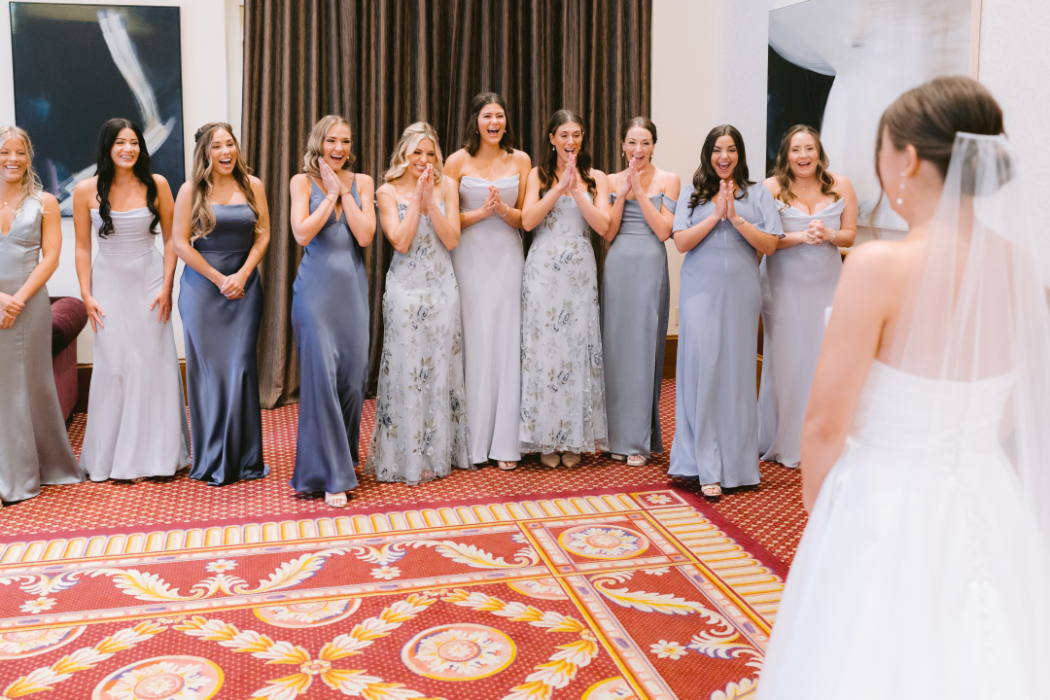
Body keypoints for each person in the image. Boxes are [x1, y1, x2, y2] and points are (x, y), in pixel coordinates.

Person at [757, 76, 1050, 699]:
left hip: (886, 498)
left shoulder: (879, 264)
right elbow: (1008, 407)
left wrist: (827, 517)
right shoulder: (1019, 263)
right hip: (985, 490)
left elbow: (825, 423)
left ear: (908, 159)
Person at [73, 118, 191, 481]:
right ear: (108, 147)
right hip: (108, 283)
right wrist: (87, 294)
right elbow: (81, 246)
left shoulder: (157, 184)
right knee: (115, 366)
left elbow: (173, 239)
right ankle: (113, 459)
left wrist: (167, 286)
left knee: (154, 366)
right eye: (121, 143)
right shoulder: (84, 190)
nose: (128, 149)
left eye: (135, 143)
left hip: (151, 282)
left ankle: (158, 457)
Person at [670, 125, 781, 497]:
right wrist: (715, 213)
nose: (724, 156)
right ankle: (704, 465)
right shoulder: (691, 192)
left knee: (735, 373)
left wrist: (735, 218)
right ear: (708, 153)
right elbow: (681, 241)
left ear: (740, 154)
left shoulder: (758, 193)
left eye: (731, 149)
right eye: (718, 149)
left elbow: (769, 245)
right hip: (700, 293)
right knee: (704, 369)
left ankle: (738, 465)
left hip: (741, 294)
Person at [367, 122, 471, 484]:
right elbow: (400, 241)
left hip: (442, 286)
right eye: (417, 153)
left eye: (430, 154)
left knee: (440, 366)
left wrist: (433, 203)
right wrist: (416, 203)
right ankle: (405, 456)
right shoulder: (387, 191)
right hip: (405, 290)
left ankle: (440, 452)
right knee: (407, 368)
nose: (423, 160)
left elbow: (453, 238)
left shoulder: (449, 187)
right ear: (404, 155)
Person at [173, 122, 271, 486]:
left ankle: (246, 459)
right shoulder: (190, 190)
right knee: (210, 374)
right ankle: (213, 457)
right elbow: (181, 244)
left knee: (241, 367)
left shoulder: (253, 185)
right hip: (202, 290)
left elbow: (264, 235)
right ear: (205, 152)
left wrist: (242, 275)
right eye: (217, 146)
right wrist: (218, 279)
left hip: (244, 289)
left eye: (230, 144)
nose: (226, 151)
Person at [757, 125, 857, 469]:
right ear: (786, 155)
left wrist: (829, 233)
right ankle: (786, 439)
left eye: (809, 149)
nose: (803, 157)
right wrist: (799, 236)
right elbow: (766, 240)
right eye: (796, 150)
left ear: (819, 152)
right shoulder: (771, 188)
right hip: (784, 283)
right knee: (787, 358)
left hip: (827, 283)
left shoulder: (840, 184)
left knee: (824, 357)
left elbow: (849, 235)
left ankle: (825, 437)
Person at [288, 115, 375, 508]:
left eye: (345, 141)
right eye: (331, 141)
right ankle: (331, 475)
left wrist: (343, 192)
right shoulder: (301, 182)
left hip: (352, 292)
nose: (338, 148)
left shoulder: (364, 182)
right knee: (321, 379)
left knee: (352, 382)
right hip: (314, 294)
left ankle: (345, 457)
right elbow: (302, 233)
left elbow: (365, 235)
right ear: (318, 143)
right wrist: (329, 196)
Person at [445, 93, 532, 472]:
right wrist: (480, 213)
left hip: (509, 257)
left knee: (506, 341)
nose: (494, 122)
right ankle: (473, 442)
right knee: (475, 341)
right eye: (487, 116)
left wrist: (504, 210)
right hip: (469, 258)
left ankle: (506, 442)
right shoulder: (456, 162)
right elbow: (447, 221)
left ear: (506, 122)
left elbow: (527, 219)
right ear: (476, 121)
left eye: (499, 115)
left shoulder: (522, 160)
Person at [519, 109, 610, 468]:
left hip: (578, 273)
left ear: (582, 137)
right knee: (544, 351)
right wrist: (558, 187)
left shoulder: (596, 177)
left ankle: (574, 435)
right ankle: (544, 435)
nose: (570, 142)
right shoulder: (537, 175)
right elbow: (527, 221)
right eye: (563, 135)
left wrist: (578, 191)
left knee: (575, 349)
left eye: (576, 135)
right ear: (552, 139)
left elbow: (603, 225)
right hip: (542, 270)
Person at [0, 126, 83, 503]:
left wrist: (18, 298)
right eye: (5, 152)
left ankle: (43, 468)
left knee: (31, 386)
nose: (12, 160)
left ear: (29, 157)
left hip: (30, 304)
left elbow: (50, 257)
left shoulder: (45, 201)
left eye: (19, 153)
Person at [602, 116, 680, 467]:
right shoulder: (609, 180)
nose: (638, 150)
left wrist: (640, 192)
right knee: (617, 347)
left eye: (645, 143)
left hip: (650, 263)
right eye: (632, 143)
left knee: (645, 348)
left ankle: (639, 440)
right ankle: (615, 437)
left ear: (653, 145)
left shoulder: (669, 180)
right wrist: (622, 193)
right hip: (619, 264)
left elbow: (665, 230)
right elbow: (608, 231)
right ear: (622, 145)